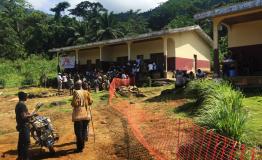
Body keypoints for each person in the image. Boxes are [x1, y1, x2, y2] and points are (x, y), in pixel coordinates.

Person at [71, 81, 93, 153]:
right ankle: (82, 146)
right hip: (86, 114)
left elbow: (74, 103)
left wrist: (73, 103)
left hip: (78, 115)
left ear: (77, 86)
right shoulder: (86, 92)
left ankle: (79, 148)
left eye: (75, 85)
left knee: (78, 132)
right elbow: (91, 101)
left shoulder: (76, 92)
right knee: (84, 130)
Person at [15, 92, 34, 160]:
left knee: (21, 142)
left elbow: (24, 114)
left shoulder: (18, 104)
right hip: (24, 126)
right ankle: (25, 158)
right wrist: (32, 115)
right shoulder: (22, 105)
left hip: (20, 125)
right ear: (23, 97)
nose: (27, 97)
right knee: (26, 142)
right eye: (26, 96)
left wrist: (29, 114)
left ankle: (20, 156)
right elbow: (24, 116)